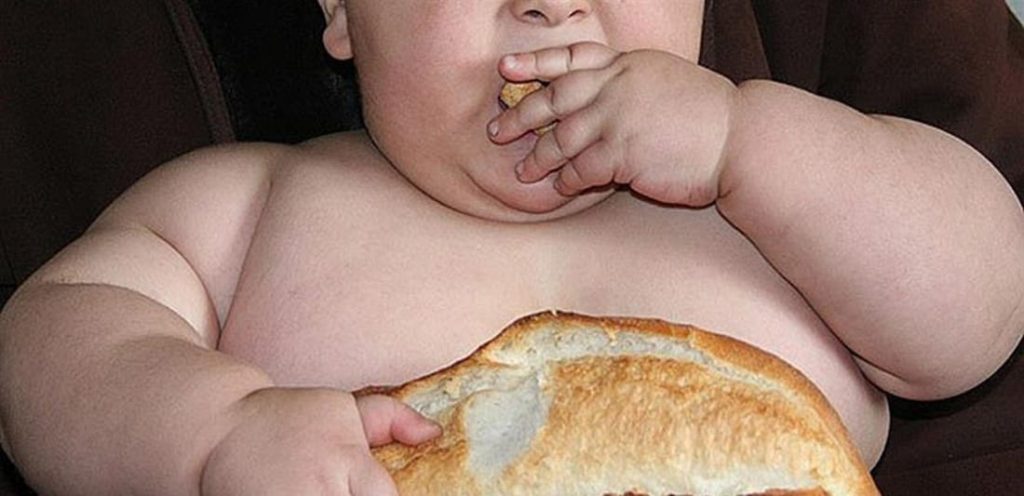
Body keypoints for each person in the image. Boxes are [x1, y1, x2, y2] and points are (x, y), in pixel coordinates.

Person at [1, 0, 1023, 494]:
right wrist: (211, 436)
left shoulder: (787, 201)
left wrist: (746, 140)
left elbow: (980, 307)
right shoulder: (257, 208)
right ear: (342, 10)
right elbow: (54, 337)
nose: (551, 3)